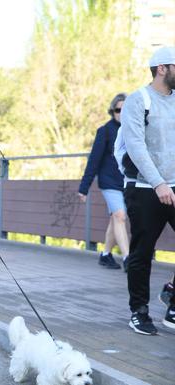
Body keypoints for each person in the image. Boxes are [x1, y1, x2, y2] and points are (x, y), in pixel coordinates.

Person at [119, 46, 175, 335]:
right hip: (145, 188)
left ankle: (172, 294)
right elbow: (136, 146)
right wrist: (159, 183)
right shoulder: (138, 100)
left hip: (174, 186)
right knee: (142, 252)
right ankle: (138, 312)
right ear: (162, 68)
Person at [78, 93, 129, 270]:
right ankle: (128, 259)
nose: (121, 113)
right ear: (112, 111)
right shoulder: (105, 131)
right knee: (120, 216)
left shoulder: (134, 130)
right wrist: (84, 188)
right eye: (117, 110)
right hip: (109, 182)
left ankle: (105, 254)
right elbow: (94, 160)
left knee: (115, 219)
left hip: (128, 182)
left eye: (125, 109)